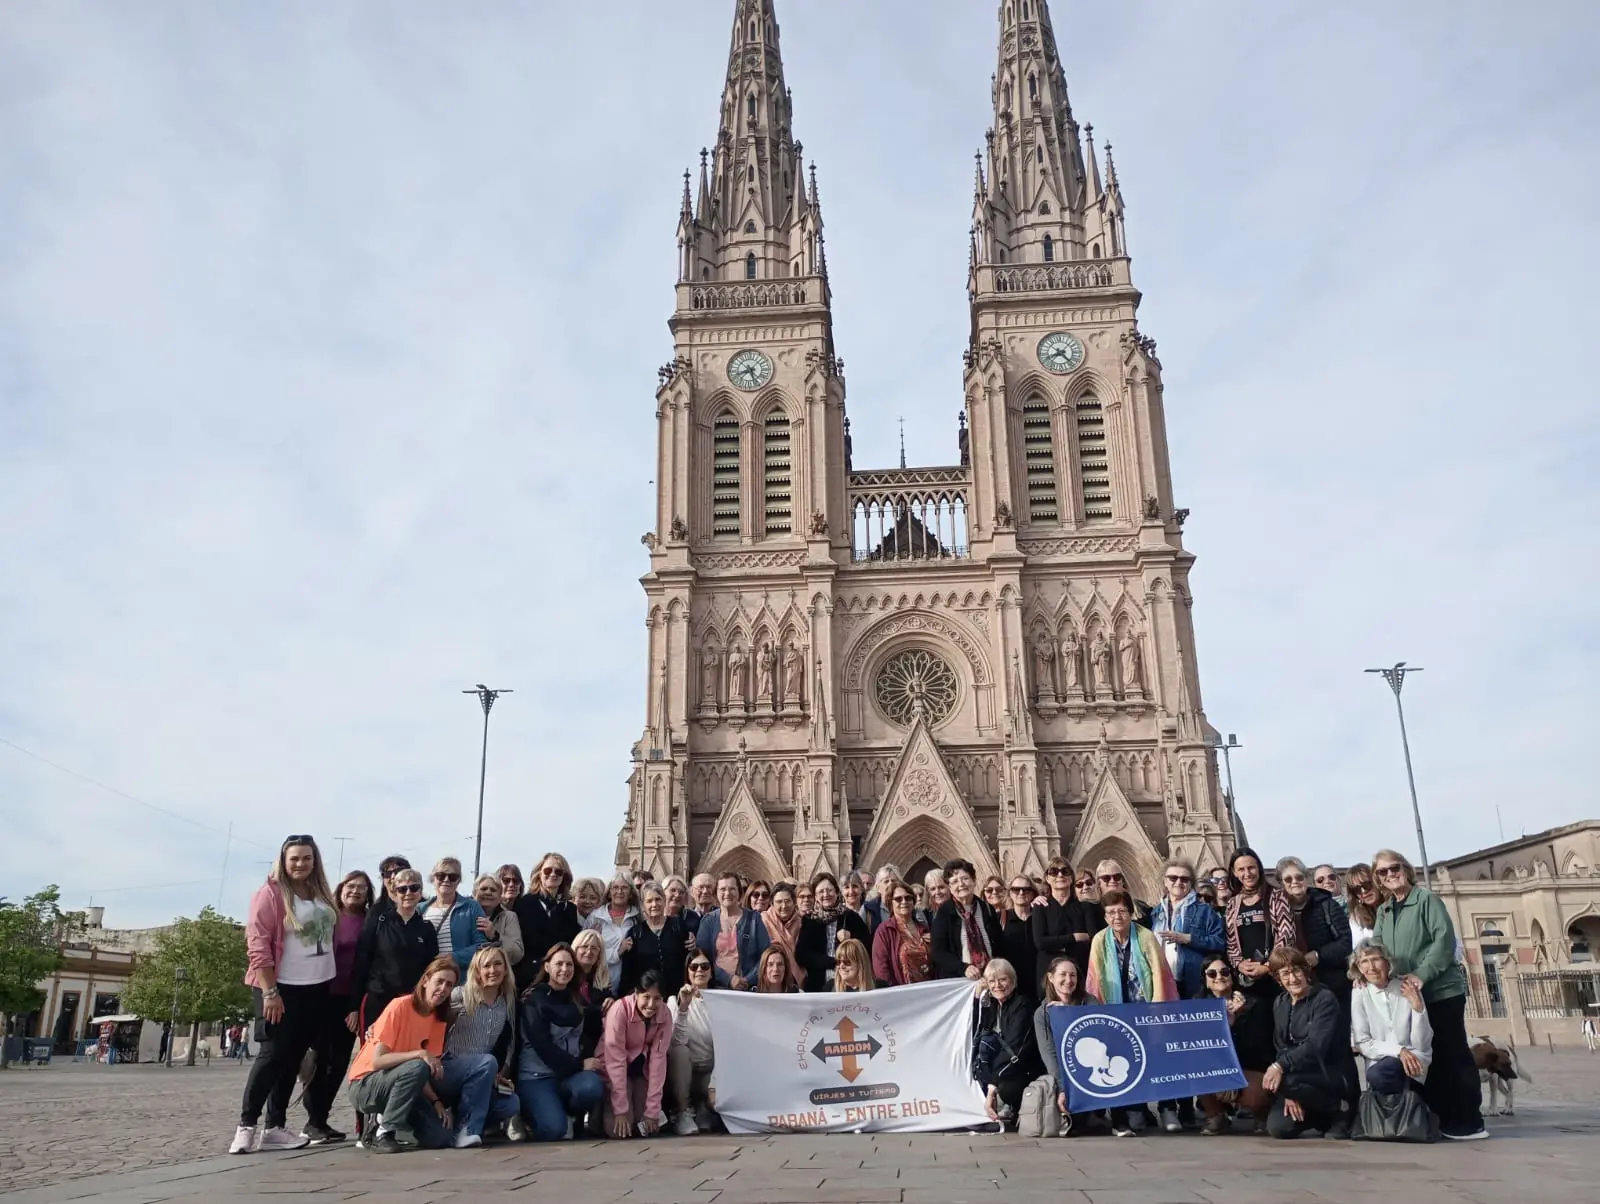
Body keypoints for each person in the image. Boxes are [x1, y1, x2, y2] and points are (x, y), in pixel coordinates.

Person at [232, 835, 340, 1154]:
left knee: (292, 1059)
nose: (300, 864)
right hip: (281, 987)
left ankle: (275, 1127)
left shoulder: (320, 892)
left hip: (317, 987)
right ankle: (246, 1125)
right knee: (271, 1055)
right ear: (283, 860)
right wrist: (269, 991)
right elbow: (257, 943)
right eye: (294, 858)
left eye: (307, 858)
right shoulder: (271, 893)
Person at [1370, 848, 1486, 1140]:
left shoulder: (1427, 900)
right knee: (1424, 1057)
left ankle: (1469, 1121)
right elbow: (1379, 951)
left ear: (1406, 869)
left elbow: (1443, 942)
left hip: (1440, 992)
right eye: (1382, 872)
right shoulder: (1384, 911)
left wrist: (1421, 975)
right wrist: (1366, 975)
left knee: (1452, 1053)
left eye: (1394, 868)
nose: (1390, 875)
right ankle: (1437, 1116)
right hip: (1408, 997)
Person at [344, 956, 458, 1153]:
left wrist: (436, 1102)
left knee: (441, 1137)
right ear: (425, 981)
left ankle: (390, 1125)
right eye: (439, 981)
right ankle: (384, 1132)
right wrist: (419, 1053)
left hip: (403, 1083)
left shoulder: (439, 1021)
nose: (443, 989)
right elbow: (378, 1061)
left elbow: (420, 1074)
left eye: (449, 985)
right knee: (418, 1064)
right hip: (365, 1083)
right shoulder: (400, 1006)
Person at [1086, 889, 1176, 1138]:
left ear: (1131, 913)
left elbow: (1160, 972)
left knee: (1152, 1058)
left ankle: (1164, 1108)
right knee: (1120, 1060)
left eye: (1122, 911)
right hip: (1116, 1012)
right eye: (1111, 912)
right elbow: (1094, 979)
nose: (1117, 916)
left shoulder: (1145, 937)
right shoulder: (1099, 941)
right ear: (1104, 917)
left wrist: (1158, 1008)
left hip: (1144, 1008)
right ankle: (1126, 1115)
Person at [1148, 858, 1226, 1132]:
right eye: (1172, 878)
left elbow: (1220, 943)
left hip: (1192, 986)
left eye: (1184, 879)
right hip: (1164, 989)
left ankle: (1194, 1106)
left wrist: (1188, 939)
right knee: (1166, 1048)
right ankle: (1169, 1107)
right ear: (1164, 881)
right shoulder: (1157, 912)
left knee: (1193, 1047)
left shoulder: (1204, 912)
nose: (1178, 883)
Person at [421, 946, 521, 1148]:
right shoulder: (460, 995)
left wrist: (502, 1071)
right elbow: (423, 1009)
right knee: (486, 1062)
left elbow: (510, 1041)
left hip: (481, 1073)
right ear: (477, 970)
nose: (493, 970)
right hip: (448, 1068)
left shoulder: (506, 1002)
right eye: (487, 965)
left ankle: (458, 1118)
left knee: (511, 1104)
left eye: (497, 964)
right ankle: (467, 1130)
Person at [515, 943, 607, 1142]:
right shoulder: (534, 1000)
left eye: (569, 965)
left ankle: (568, 1115)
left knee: (592, 1087)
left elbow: (591, 1024)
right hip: (536, 1076)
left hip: (567, 1076)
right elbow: (543, 1047)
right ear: (547, 966)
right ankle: (528, 1116)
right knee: (553, 1131)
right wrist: (580, 1064)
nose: (565, 969)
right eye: (559, 964)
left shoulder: (576, 998)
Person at [306, 870, 372, 1146]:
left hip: (351, 998)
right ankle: (313, 1121)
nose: (355, 891)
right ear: (341, 888)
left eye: (362, 888)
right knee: (318, 1060)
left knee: (339, 1062)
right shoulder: (329, 915)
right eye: (351, 886)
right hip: (324, 994)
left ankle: (321, 1118)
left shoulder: (369, 921)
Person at [1261, 948, 1353, 1140]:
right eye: (1285, 973)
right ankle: (1318, 1117)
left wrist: (1281, 1069)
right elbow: (1280, 1046)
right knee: (1278, 1128)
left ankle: (1340, 1110)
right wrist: (1288, 1092)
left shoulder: (1324, 999)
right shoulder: (1281, 1002)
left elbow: (1315, 1047)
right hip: (1297, 1077)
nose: (1292, 978)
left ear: (1305, 971)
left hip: (1329, 1072)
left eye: (1296, 971)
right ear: (1278, 978)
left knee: (1283, 1079)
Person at [351, 868, 439, 1034]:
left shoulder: (426, 928)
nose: (408, 893)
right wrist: (353, 1007)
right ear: (394, 892)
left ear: (420, 892)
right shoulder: (379, 922)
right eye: (402, 889)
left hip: (411, 1002)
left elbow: (431, 969)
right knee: (372, 1054)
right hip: (378, 1000)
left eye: (414, 888)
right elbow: (361, 962)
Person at [1194, 956, 1274, 1135]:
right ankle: (1215, 1115)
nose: (1219, 977)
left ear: (1232, 976)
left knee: (1257, 1095)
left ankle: (1262, 1115)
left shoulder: (1255, 1004)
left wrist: (1240, 1018)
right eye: (1212, 974)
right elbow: (1199, 1048)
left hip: (1249, 1068)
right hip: (1216, 1070)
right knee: (1194, 1067)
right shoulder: (1197, 1007)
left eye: (1224, 972)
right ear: (1206, 981)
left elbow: (1258, 1047)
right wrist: (1226, 1025)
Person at [1349, 939, 1433, 1095]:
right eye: (1364, 962)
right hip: (1380, 1061)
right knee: (1379, 1075)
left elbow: (1421, 1043)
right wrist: (1398, 1051)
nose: (1371, 967)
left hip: (1415, 1057)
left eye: (1375, 959)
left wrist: (1417, 1009)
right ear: (1359, 968)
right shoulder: (1359, 993)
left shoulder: (1406, 987)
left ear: (1387, 962)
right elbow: (1363, 1042)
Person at [1224, 847, 1297, 1024]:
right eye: (1241, 869)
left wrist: (1267, 966)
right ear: (1234, 873)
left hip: (1275, 977)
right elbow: (1230, 942)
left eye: (1251, 868)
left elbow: (1286, 935)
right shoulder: (1233, 904)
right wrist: (1239, 963)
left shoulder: (1277, 896)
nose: (1247, 873)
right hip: (1247, 981)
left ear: (1259, 868)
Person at [599, 969, 673, 1138]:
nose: (651, 1004)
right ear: (636, 993)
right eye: (646, 997)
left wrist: (652, 1110)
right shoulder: (619, 1010)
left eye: (657, 999)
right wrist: (620, 1111)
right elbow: (615, 1060)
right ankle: (599, 1112)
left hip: (641, 1070)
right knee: (616, 1131)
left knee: (646, 1128)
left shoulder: (665, 1015)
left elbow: (658, 1061)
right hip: (614, 1069)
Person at [973, 958, 1043, 1127]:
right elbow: (975, 1030)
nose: (997, 985)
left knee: (1007, 1089)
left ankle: (1014, 1105)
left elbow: (1015, 1050)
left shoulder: (1023, 1005)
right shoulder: (992, 1005)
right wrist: (977, 999)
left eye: (1002, 979)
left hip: (1023, 1069)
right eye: (992, 981)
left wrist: (992, 1086)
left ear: (1013, 981)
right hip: (1001, 1067)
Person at [1033, 955, 1097, 1134]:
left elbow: (1097, 1037)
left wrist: (1067, 1014)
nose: (1069, 980)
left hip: (1089, 1067)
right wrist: (1062, 1088)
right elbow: (1049, 1053)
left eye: (1073, 975)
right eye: (1063, 975)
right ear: (1050, 977)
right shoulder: (1042, 1013)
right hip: (1062, 1073)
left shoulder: (1090, 1002)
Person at [513, 853, 580, 992]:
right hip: (528, 979)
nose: (553, 874)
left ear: (564, 877)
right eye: (548, 870)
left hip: (559, 979)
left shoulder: (570, 909)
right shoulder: (523, 904)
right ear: (539, 874)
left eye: (558, 872)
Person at [668, 952, 717, 1135]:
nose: (699, 971)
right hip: (684, 1071)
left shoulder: (721, 1001)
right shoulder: (674, 1000)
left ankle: (704, 1107)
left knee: (718, 1101)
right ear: (687, 971)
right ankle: (683, 1111)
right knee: (679, 1051)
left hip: (710, 1073)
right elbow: (676, 1040)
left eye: (705, 966)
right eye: (694, 967)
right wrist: (683, 1008)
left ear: (711, 971)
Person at [695, 871, 772, 990]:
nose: (727, 893)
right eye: (722, 889)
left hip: (749, 989)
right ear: (716, 893)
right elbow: (702, 957)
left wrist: (747, 980)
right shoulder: (708, 921)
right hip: (716, 989)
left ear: (739, 893)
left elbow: (766, 955)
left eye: (732, 889)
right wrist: (728, 979)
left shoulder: (754, 919)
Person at [796, 872, 872, 991]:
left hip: (848, 984)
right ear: (815, 896)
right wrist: (832, 962)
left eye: (829, 890)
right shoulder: (809, 920)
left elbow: (866, 947)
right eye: (821, 891)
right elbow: (802, 954)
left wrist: (851, 939)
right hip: (818, 984)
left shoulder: (850, 917)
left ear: (837, 892)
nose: (826, 894)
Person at [931, 859, 1004, 980]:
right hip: (960, 980)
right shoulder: (944, 912)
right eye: (954, 881)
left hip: (990, 978)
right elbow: (939, 952)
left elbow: (1000, 944)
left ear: (974, 881)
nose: (961, 884)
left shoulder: (986, 908)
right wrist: (964, 968)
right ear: (949, 887)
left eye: (965, 878)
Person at [1031, 858, 1097, 991]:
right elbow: (1040, 942)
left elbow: (1093, 938)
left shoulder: (1084, 907)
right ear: (1047, 879)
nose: (1060, 875)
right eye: (1054, 872)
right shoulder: (1041, 906)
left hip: (1079, 974)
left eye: (1065, 871)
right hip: (1049, 976)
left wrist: (1055, 943)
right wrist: (1074, 938)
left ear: (1071, 878)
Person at [619, 883, 688, 1000]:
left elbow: (687, 958)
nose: (654, 904)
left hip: (676, 995)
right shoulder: (635, 932)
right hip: (647, 998)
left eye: (658, 899)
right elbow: (628, 970)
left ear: (664, 900)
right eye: (649, 901)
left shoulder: (678, 926)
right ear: (643, 905)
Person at [423, 857, 488, 975]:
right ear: (433, 879)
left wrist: (454, 957)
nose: (446, 880)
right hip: (429, 978)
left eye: (453, 877)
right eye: (441, 876)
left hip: (461, 979)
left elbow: (482, 946)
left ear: (458, 881)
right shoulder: (420, 909)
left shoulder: (472, 907)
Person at [871, 878, 932, 986]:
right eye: (898, 899)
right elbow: (881, 969)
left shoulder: (923, 928)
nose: (904, 902)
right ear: (891, 903)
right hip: (901, 993)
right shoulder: (884, 930)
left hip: (928, 991)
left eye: (908, 898)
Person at [586, 876, 640, 989]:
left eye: (624, 888)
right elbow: (585, 951)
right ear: (609, 892)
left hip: (629, 982)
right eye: (615, 887)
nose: (619, 891)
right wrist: (617, 952)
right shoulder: (596, 918)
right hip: (599, 982)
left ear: (630, 893)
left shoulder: (637, 917)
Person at [473, 875, 525, 970]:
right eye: (484, 889)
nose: (488, 892)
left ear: (500, 896)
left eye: (493, 890)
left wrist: (495, 936)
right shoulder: (465, 915)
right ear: (474, 893)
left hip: (497, 974)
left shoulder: (509, 917)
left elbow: (517, 953)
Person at [999, 877, 1039, 1000]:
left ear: (1033, 893)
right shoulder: (1001, 918)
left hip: (1038, 982)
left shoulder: (1040, 917)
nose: (1021, 893)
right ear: (1010, 893)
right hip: (1011, 985)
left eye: (1026, 889)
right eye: (1016, 889)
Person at [761, 882, 805, 991]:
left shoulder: (802, 923)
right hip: (771, 981)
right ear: (771, 903)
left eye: (787, 901)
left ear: (794, 902)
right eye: (779, 902)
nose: (784, 906)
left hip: (798, 982)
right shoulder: (763, 921)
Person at [1094, 860, 1152, 927]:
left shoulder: (1141, 908)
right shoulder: (1093, 911)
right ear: (1099, 883)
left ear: (1123, 881)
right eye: (1106, 878)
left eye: (1117, 877)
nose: (1112, 880)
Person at [1345, 863, 1380, 947]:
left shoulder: (1394, 906)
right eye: (1357, 889)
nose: (1363, 891)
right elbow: (1358, 949)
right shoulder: (1356, 918)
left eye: (1366, 885)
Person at [864, 863, 901, 928]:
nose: (890, 884)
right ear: (878, 887)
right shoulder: (867, 909)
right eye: (886, 881)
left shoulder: (907, 905)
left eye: (893, 881)